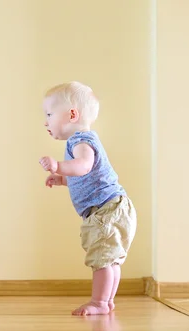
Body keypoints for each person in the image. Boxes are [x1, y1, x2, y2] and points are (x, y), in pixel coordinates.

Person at [38, 81, 137, 316]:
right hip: (114, 207)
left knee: (102, 258)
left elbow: (84, 166)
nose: (46, 121)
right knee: (110, 259)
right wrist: (62, 179)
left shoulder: (81, 141)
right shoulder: (85, 140)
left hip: (105, 209)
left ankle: (100, 302)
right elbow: (86, 175)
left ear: (72, 114)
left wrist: (58, 166)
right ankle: (107, 300)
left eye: (50, 114)